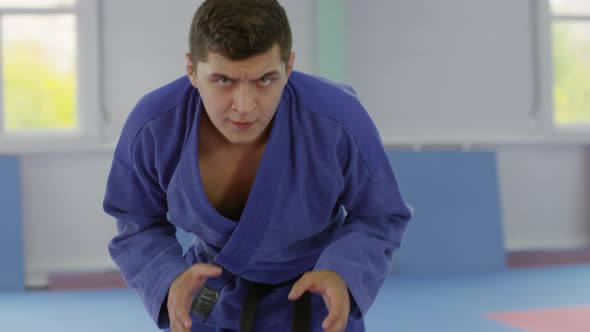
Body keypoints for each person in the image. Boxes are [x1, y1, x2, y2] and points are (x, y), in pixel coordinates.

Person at [103, 0, 412, 331]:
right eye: (223, 80)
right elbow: (135, 220)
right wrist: (167, 280)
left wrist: (344, 273)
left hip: (317, 298)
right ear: (192, 70)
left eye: (265, 79)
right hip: (211, 295)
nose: (245, 105)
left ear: (289, 68)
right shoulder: (155, 126)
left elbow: (380, 214)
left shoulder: (338, 120)